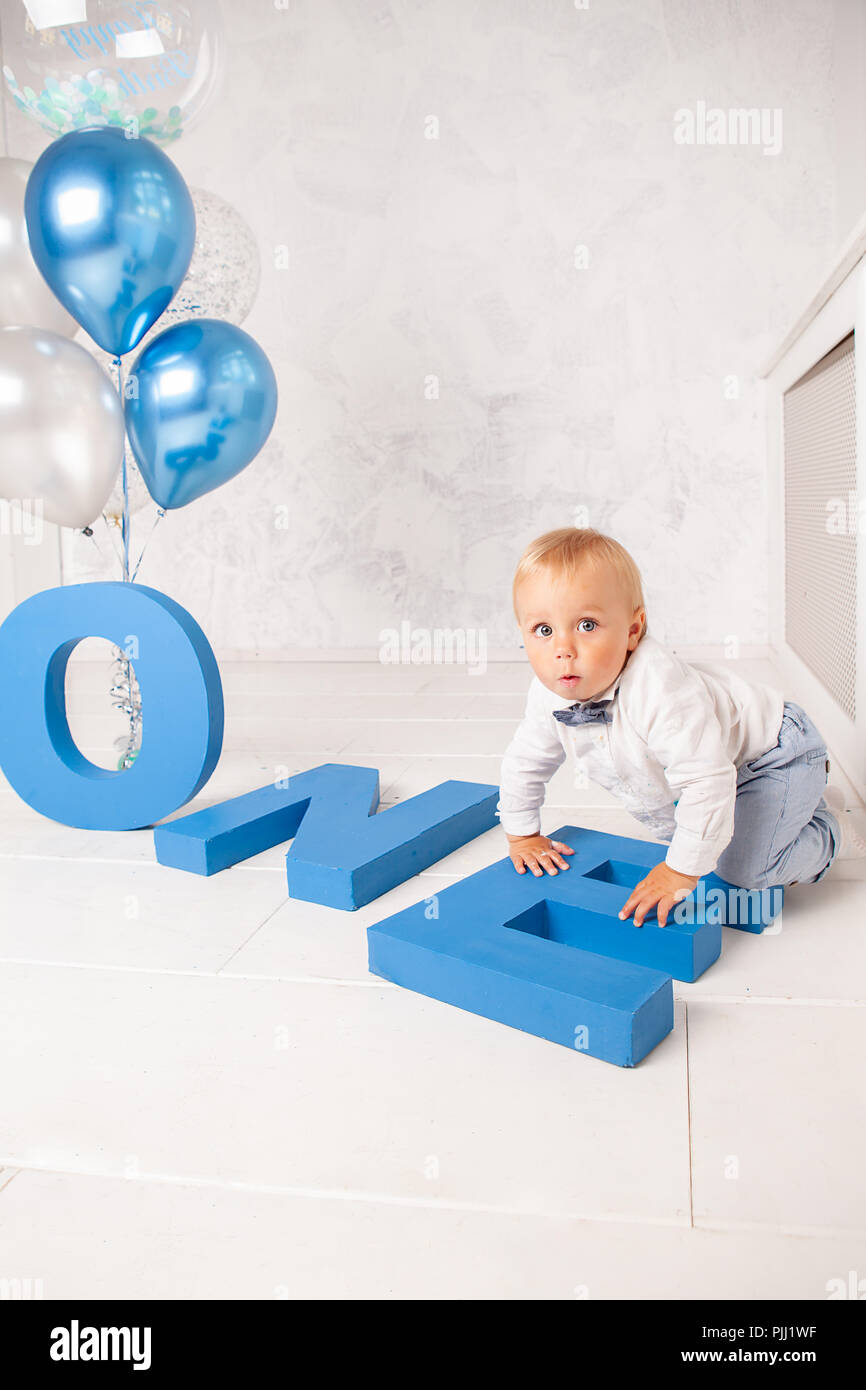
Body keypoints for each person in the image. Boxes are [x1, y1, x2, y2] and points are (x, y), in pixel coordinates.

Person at [498, 527, 866, 927]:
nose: (563, 649)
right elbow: (524, 761)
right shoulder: (548, 694)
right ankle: (796, 805)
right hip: (720, 761)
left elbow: (706, 781)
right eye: (544, 630)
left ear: (632, 631)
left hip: (776, 753)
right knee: (700, 836)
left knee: (743, 872)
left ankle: (833, 831)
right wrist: (523, 834)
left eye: (587, 625)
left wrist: (679, 872)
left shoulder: (661, 690)